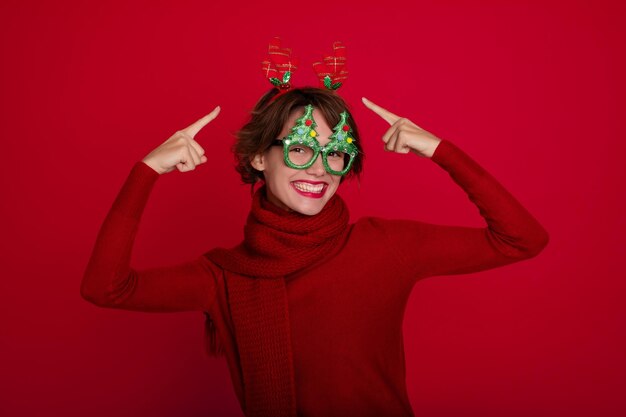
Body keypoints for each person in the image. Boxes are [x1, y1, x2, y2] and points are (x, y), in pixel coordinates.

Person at [81, 41, 549, 417]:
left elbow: (522, 239)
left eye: (336, 153)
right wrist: (145, 172)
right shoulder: (223, 277)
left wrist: (441, 151)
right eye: (302, 148)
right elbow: (107, 288)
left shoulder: (386, 246)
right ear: (259, 158)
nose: (322, 168)